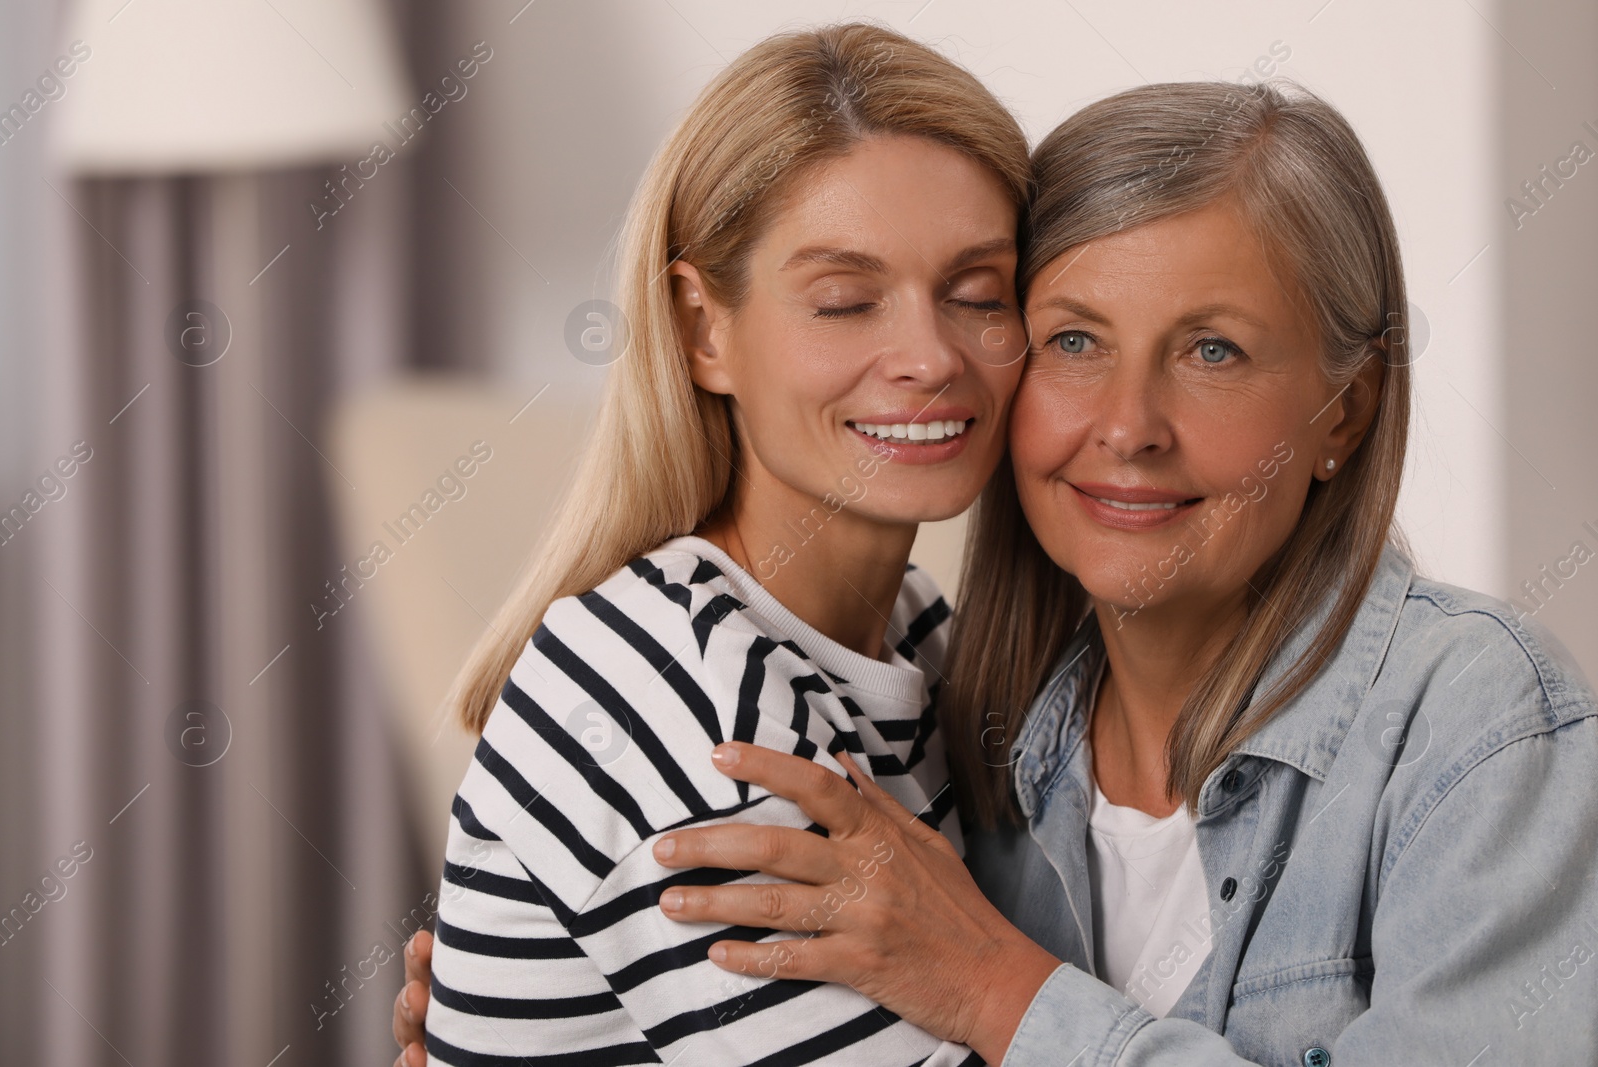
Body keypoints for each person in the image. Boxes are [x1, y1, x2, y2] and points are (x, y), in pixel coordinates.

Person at [636, 81, 1598, 1065]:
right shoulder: (962, 734)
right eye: (1075, 341)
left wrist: (998, 986)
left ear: (1341, 414)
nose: (1129, 427)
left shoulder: (1478, 728)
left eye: (1212, 349)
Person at [409, 22, 1033, 1067]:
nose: (929, 354)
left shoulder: (919, 628)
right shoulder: (694, 704)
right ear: (704, 329)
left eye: (979, 294)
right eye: (845, 300)